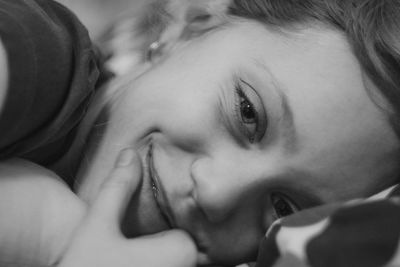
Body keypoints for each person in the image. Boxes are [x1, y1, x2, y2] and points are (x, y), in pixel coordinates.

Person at [0, 0, 399, 266]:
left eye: (283, 208)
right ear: (190, 30)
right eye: (247, 112)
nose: (217, 193)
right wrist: (44, 229)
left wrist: (55, 241)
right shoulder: (43, 56)